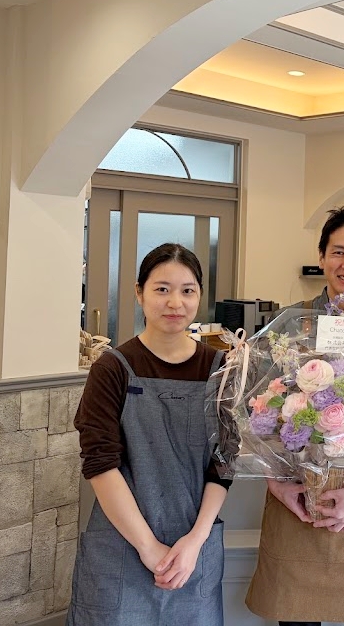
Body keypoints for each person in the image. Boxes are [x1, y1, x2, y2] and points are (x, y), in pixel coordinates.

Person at [245, 205, 344, 626]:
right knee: (296, 617)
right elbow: (255, 409)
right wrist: (277, 484)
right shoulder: (289, 323)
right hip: (297, 497)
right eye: (338, 252)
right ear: (321, 257)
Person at [68, 243, 230, 625]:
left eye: (187, 290)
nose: (175, 302)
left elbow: (224, 463)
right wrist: (148, 547)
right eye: (162, 289)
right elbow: (100, 463)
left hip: (194, 548)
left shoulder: (221, 370)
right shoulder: (112, 369)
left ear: (199, 296)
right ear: (139, 293)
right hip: (123, 545)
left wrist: (195, 541)